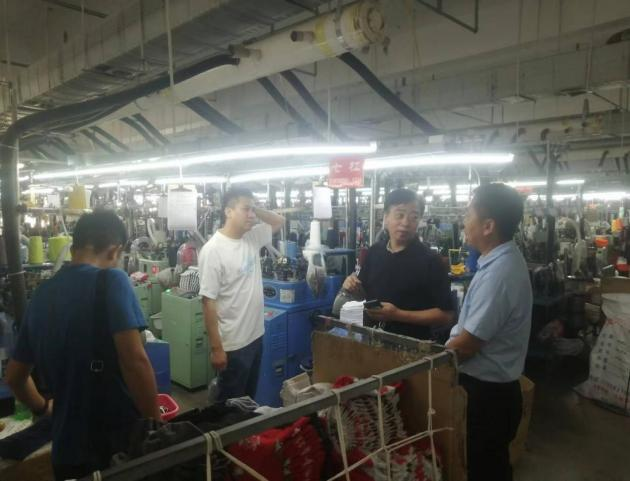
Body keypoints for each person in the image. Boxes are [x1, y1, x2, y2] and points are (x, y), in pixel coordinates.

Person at [6, 210, 160, 481]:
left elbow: (15, 377)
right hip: (114, 448)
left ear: (74, 247)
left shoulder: (41, 294)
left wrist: (42, 407)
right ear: (115, 250)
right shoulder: (112, 280)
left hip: (66, 452)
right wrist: (156, 430)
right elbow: (135, 362)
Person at [446, 183, 532, 481]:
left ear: (488, 226)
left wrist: (430, 365)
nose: (464, 221)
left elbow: (468, 345)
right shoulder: (499, 263)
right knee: (489, 467)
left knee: (485, 470)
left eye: (468, 214)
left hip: (487, 397)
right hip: (493, 392)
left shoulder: (499, 274)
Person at [199, 187, 285, 402]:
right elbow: (208, 303)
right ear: (228, 211)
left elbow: (279, 221)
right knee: (229, 409)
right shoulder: (213, 250)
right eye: (245, 209)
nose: (251, 215)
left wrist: (255, 208)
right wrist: (216, 348)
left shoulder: (252, 238)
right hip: (233, 345)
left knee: (248, 403)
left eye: (252, 210)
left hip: (255, 337)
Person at [340, 188, 454, 340]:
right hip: (371, 339)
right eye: (400, 215)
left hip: (410, 346)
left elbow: (447, 316)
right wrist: (352, 284)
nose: (406, 223)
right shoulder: (374, 252)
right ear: (386, 217)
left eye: (414, 217)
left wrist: (398, 315)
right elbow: (364, 294)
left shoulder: (430, 260)